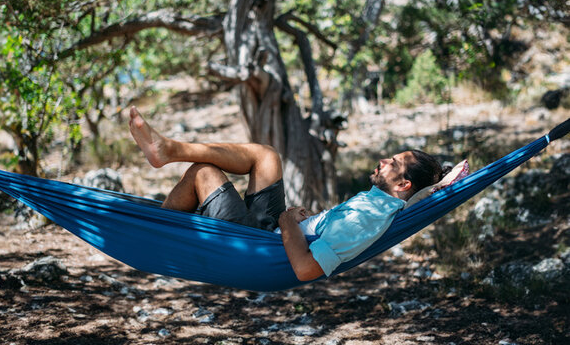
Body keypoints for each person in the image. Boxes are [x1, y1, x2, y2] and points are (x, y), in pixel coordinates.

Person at [128, 106, 443, 282]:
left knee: (203, 172)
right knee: (266, 156)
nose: (384, 160)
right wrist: (445, 181)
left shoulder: (367, 218)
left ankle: (155, 238)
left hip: (260, 252)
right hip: (272, 236)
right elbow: (430, 191)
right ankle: (168, 150)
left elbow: (306, 269)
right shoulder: (383, 203)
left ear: (402, 185)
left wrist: (288, 219)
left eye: (394, 164)